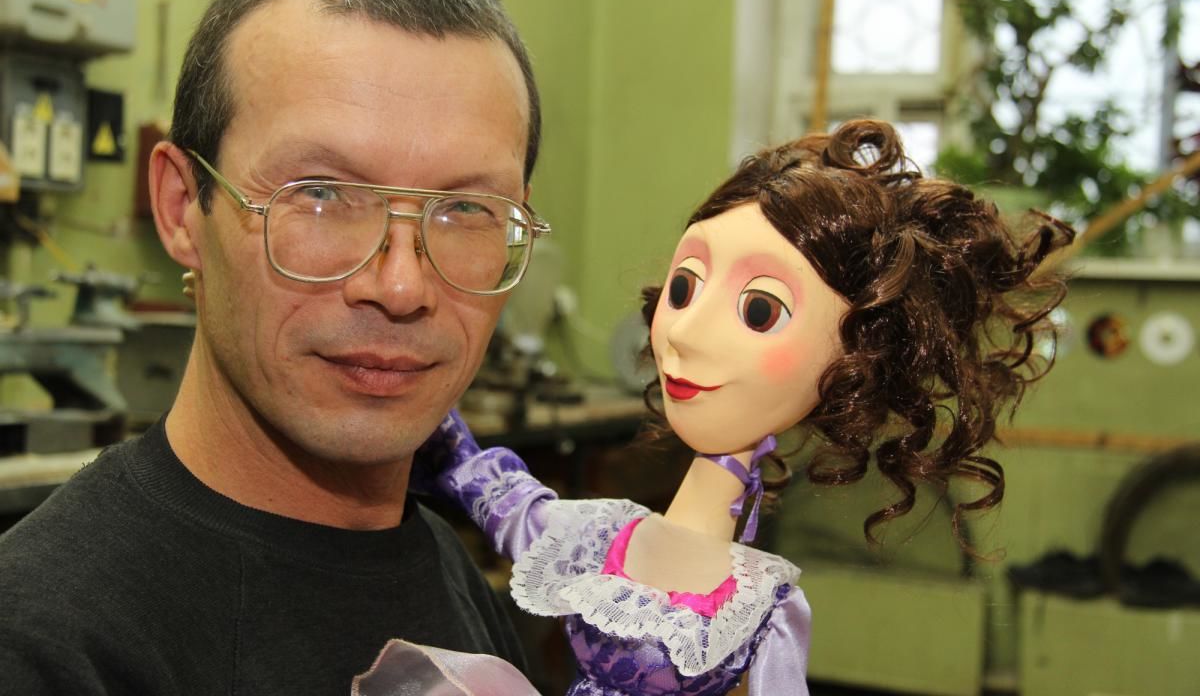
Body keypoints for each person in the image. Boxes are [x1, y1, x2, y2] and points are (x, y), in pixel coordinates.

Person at [0, 0, 549, 693]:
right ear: (182, 208)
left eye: (466, 209)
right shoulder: (46, 643)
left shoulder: (447, 572)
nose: (400, 287)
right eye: (321, 194)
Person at [408, 119, 1074, 695]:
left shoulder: (761, 610)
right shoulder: (598, 541)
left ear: (852, 364)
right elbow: (500, 498)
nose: (687, 332)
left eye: (759, 310)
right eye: (685, 286)